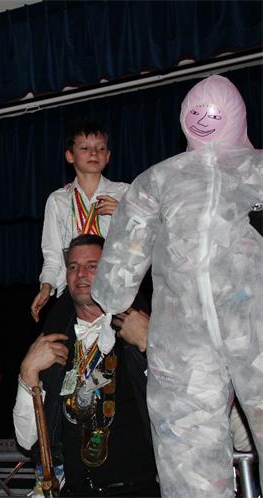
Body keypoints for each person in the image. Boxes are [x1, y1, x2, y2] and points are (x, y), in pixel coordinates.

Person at [91, 74, 262, 497]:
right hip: (190, 343)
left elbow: (118, 273)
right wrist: (112, 294)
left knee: (189, 461)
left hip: (223, 335)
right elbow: (121, 263)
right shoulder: (159, 180)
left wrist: (112, 295)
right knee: (189, 463)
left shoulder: (160, 179)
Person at [14, 235, 159, 496]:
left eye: (92, 266)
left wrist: (152, 347)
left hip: (140, 489)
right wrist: (28, 374)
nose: (81, 274)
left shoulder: (142, 330)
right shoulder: (53, 344)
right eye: (73, 266)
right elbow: (27, 440)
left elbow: (184, 409)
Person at [30, 121, 129, 322]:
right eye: (85, 148)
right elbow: (53, 254)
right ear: (70, 156)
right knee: (55, 338)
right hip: (75, 290)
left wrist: (124, 214)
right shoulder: (58, 200)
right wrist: (47, 286)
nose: (94, 153)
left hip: (117, 287)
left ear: (108, 156)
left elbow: (144, 242)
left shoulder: (125, 193)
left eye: (101, 148)